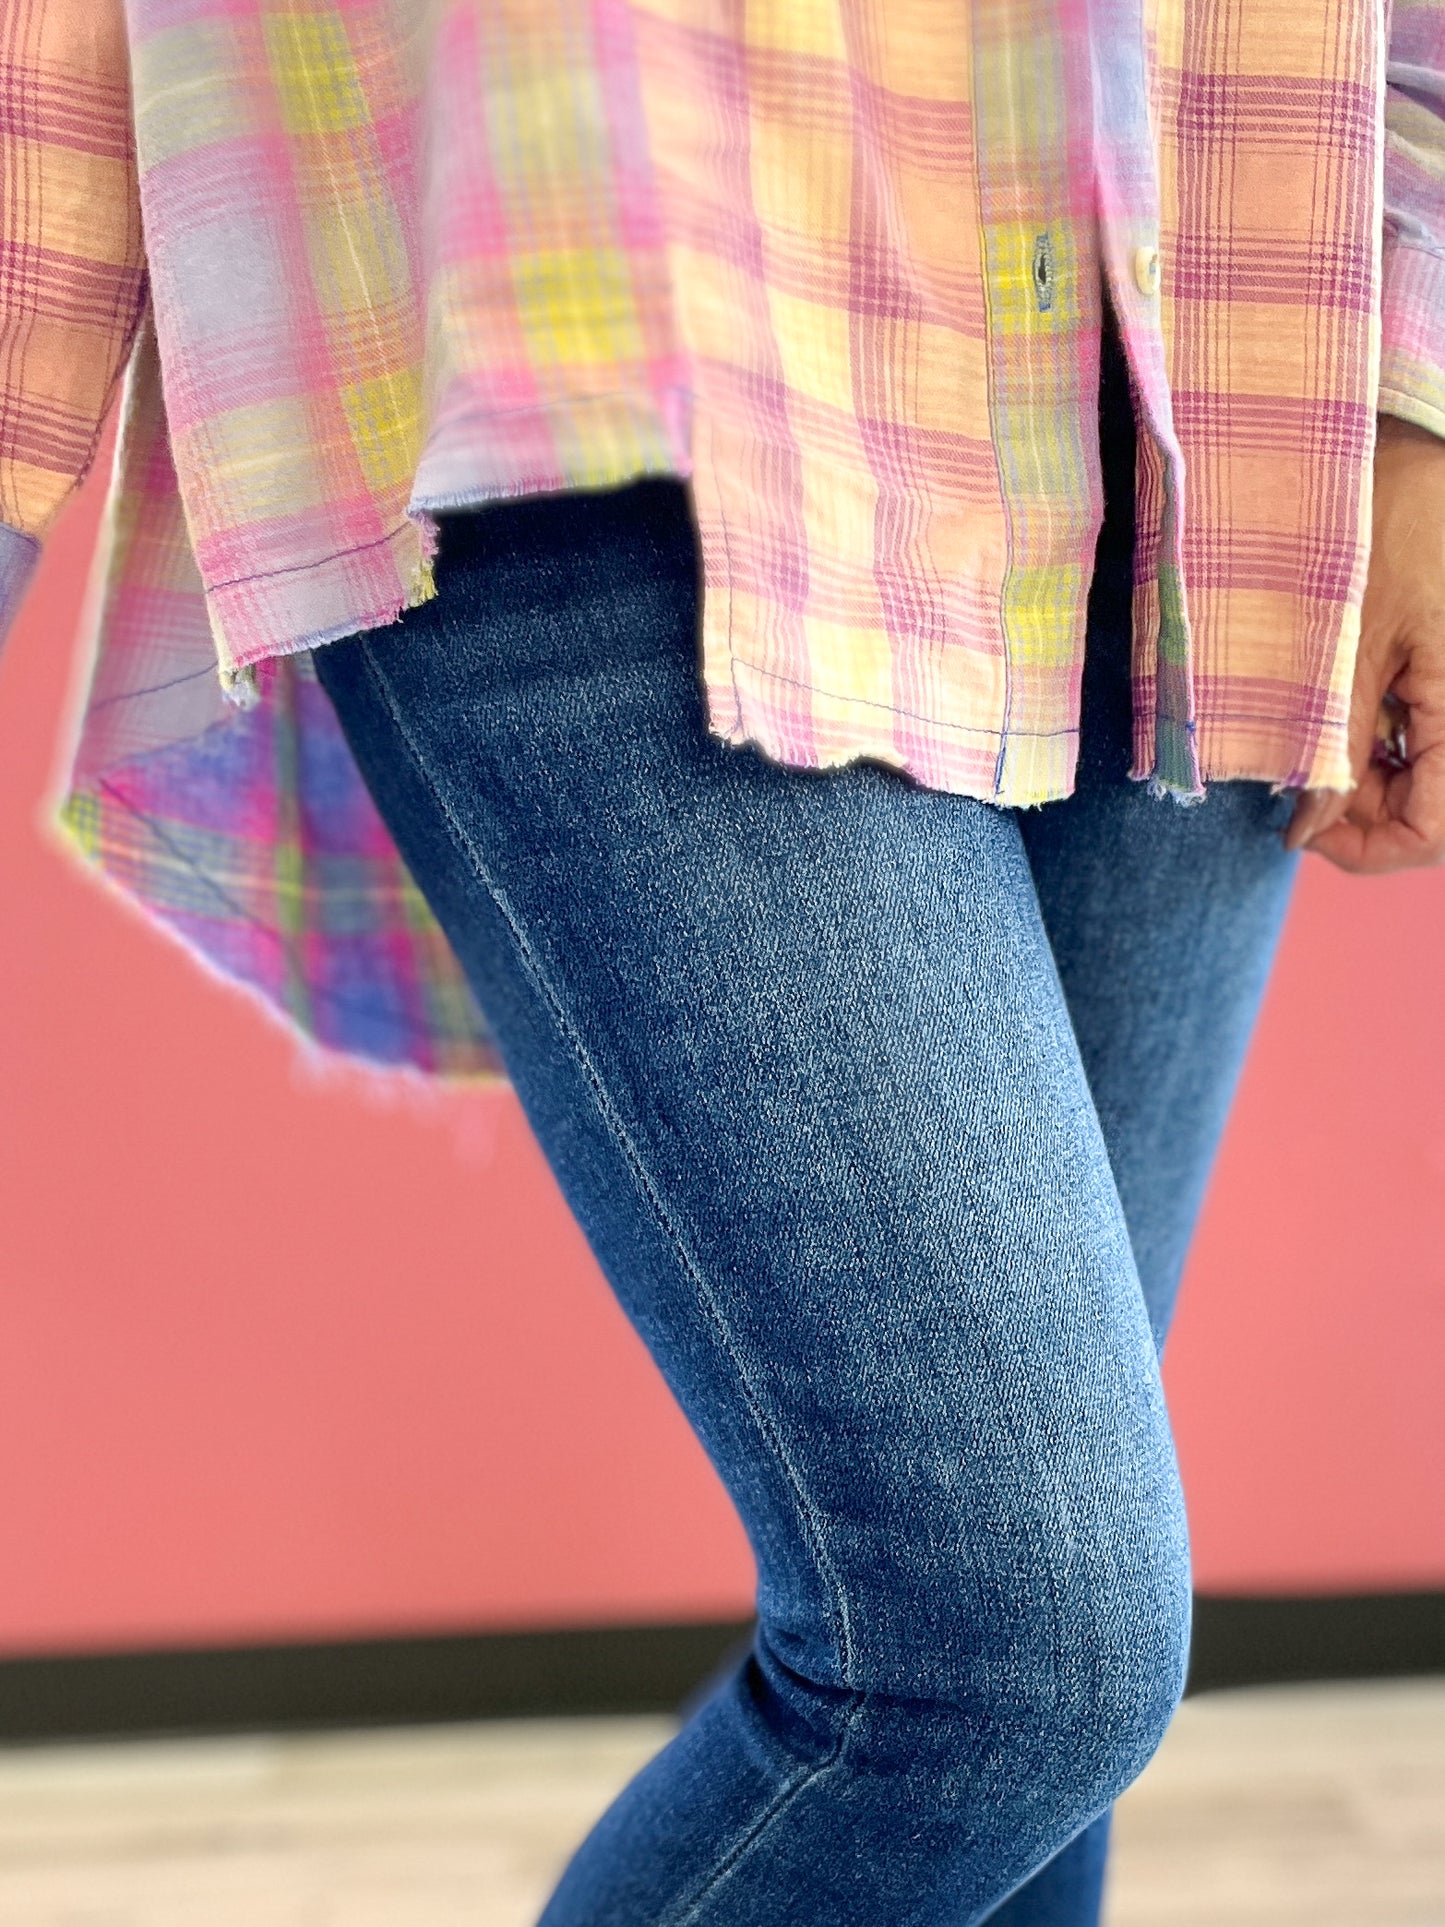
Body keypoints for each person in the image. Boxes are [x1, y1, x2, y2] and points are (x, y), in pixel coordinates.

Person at [2, 2, 1442, 1921]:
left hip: (1201, 361)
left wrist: (1420, 381)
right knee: (1001, 1657)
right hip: (589, 358)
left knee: (1021, 1796)